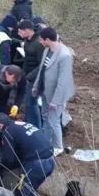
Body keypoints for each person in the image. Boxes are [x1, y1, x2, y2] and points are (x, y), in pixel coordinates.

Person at [0, 113, 55, 196]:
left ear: (0, 126)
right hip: (50, 161)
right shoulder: (21, 124)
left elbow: (10, 159)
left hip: (36, 164)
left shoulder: (8, 132)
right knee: (31, 189)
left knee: (22, 192)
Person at [31, 27, 74, 156]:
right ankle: (46, 141)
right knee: (45, 117)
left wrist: (56, 100)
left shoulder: (65, 55)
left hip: (56, 94)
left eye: (41, 39)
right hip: (44, 91)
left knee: (54, 120)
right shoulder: (47, 50)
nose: (39, 42)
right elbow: (42, 70)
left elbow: (63, 81)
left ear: (48, 40)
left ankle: (58, 147)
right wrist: (36, 85)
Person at [17, 20, 46, 127]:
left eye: (20, 31)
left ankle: (36, 126)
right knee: (28, 102)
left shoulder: (39, 44)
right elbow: (26, 60)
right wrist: (23, 73)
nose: (18, 33)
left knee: (31, 103)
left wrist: (29, 77)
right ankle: (30, 122)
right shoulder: (27, 42)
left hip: (36, 78)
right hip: (29, 77)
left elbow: (42, 65)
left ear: (28, 31)